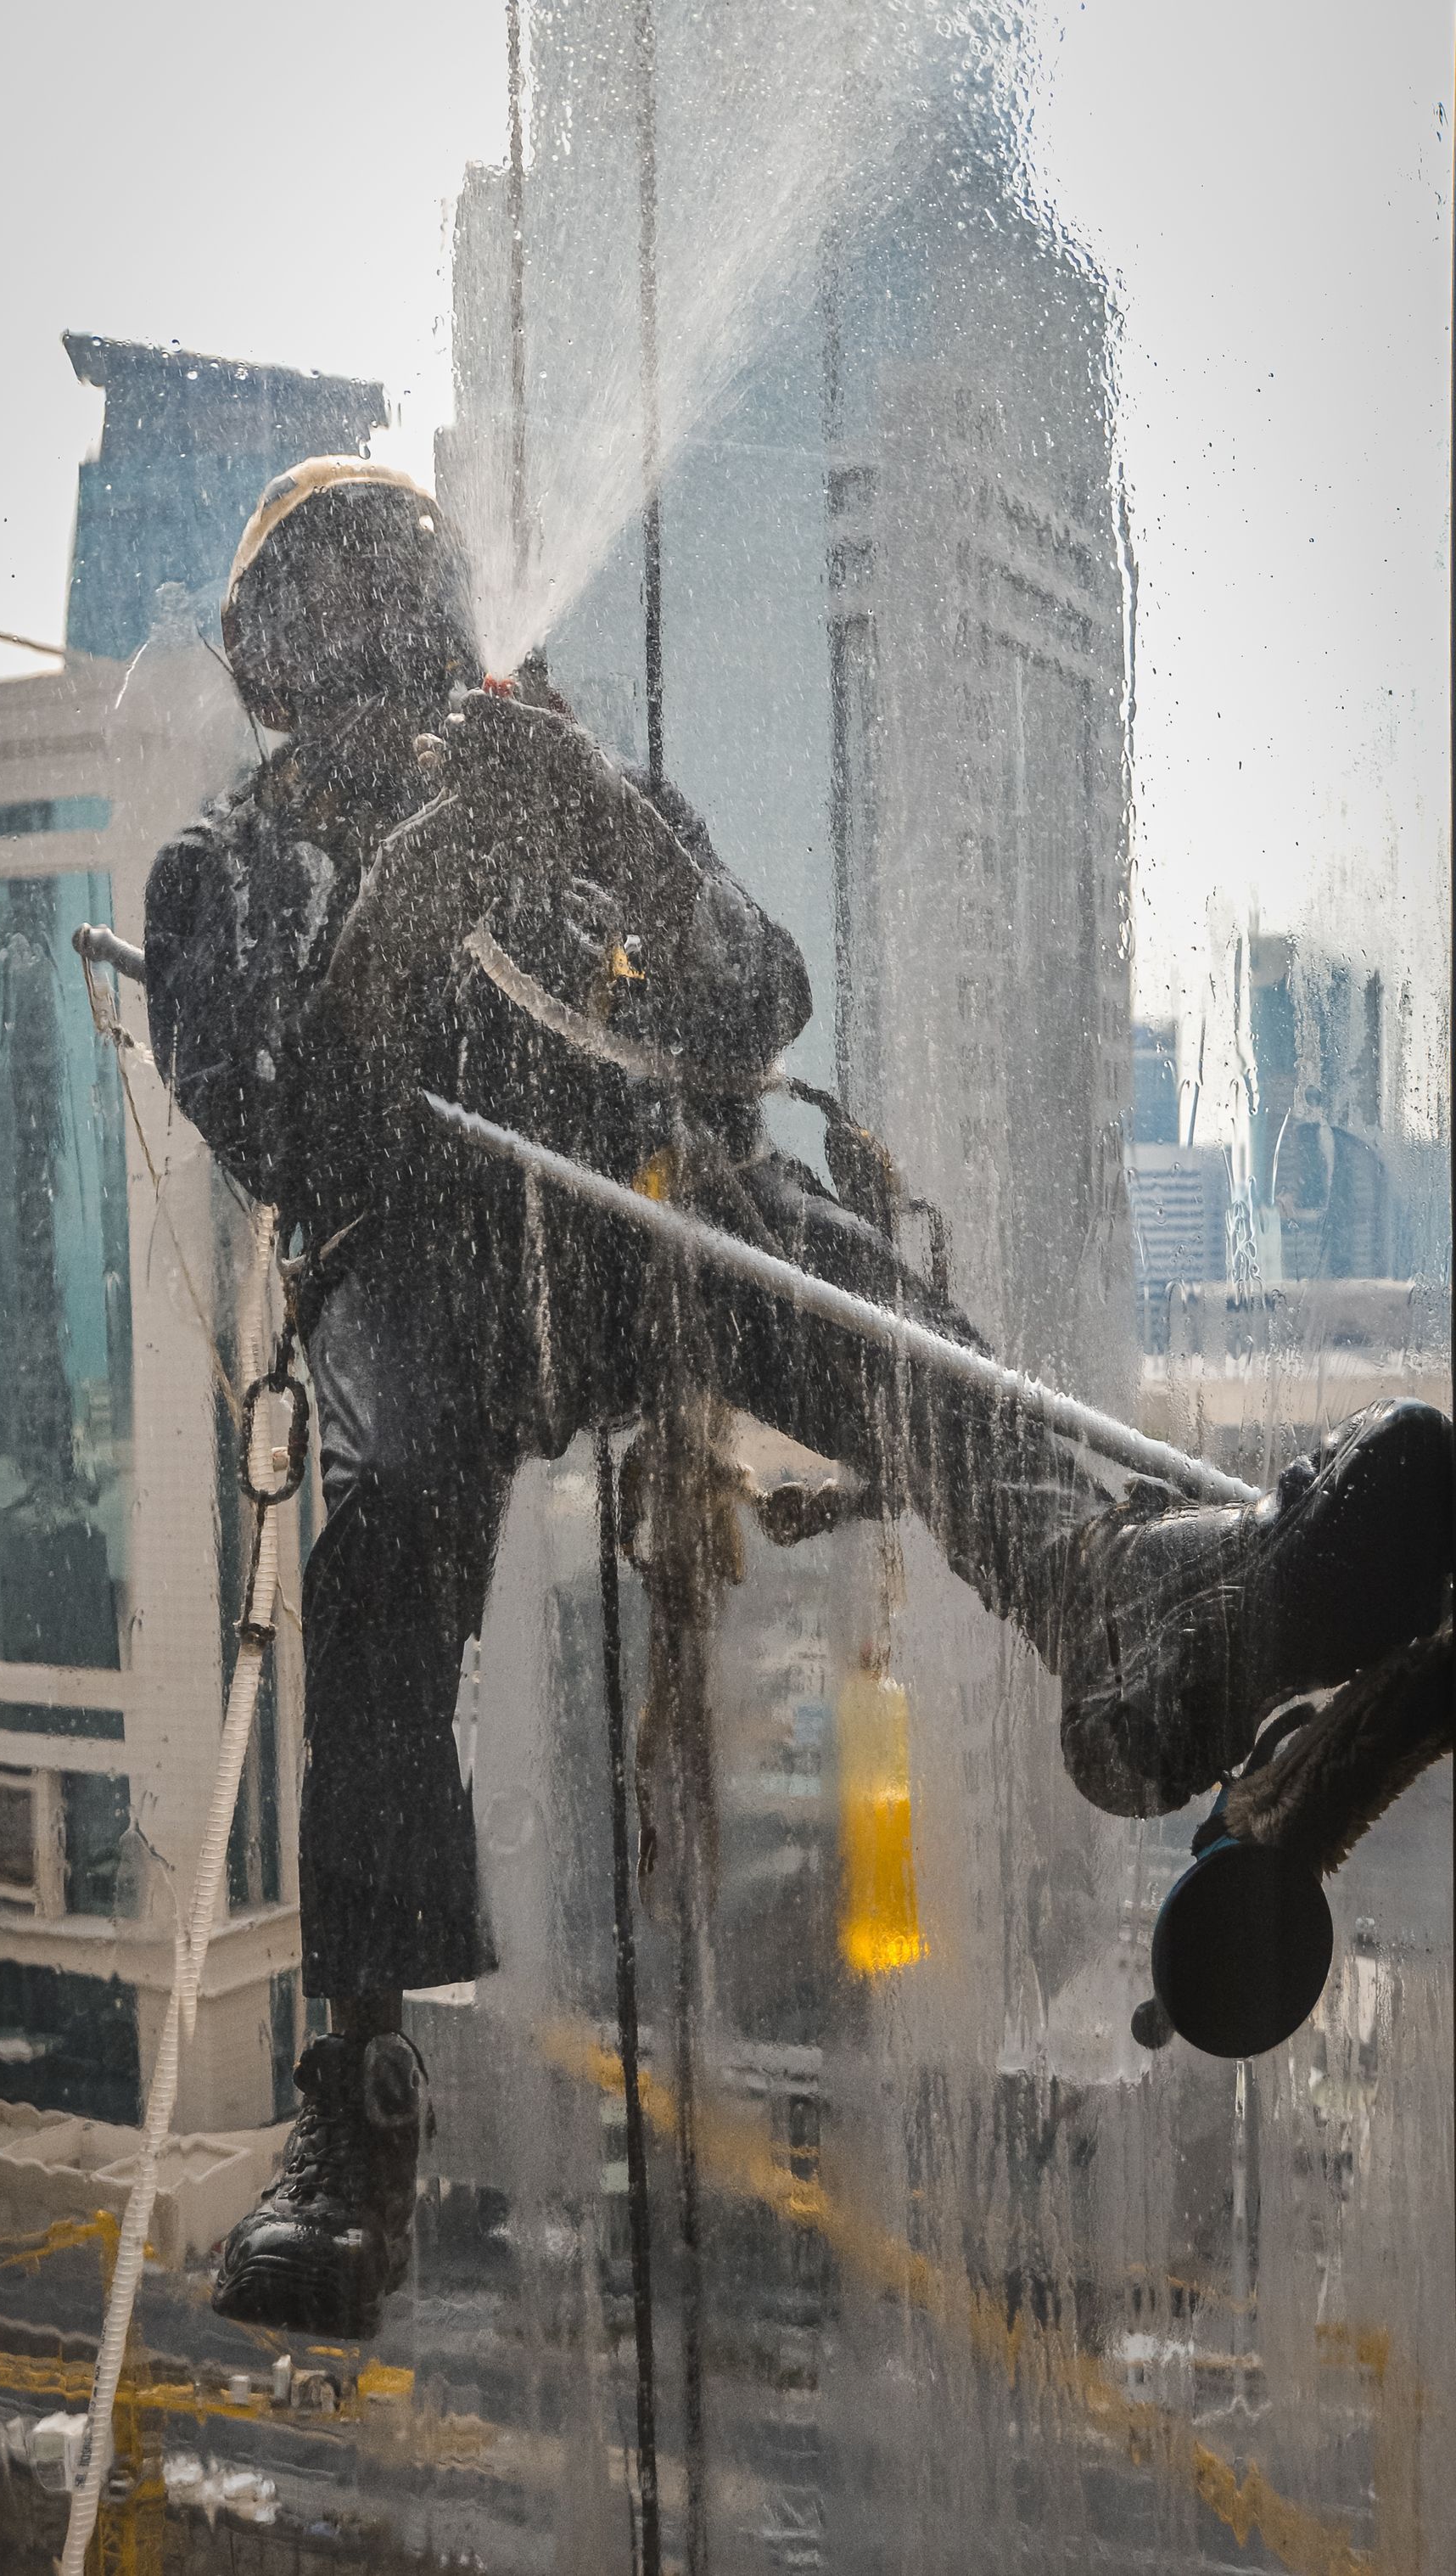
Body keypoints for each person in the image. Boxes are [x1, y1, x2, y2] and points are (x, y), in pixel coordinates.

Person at [144, 456, 1453, 2337]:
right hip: (419, 1262)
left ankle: (1117, 1609)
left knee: (862, 1305)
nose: (375, 642)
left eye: (393, 594)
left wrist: (619, 829)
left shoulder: (559, 783)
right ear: (274, 661)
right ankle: (354, 2107)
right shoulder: (231, 866)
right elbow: (276, 1118)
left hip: (643, 1213)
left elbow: (757, 994)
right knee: (391, 1535)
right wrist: (398, 921)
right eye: (332, 606)